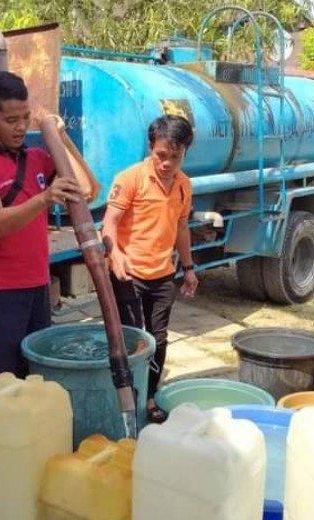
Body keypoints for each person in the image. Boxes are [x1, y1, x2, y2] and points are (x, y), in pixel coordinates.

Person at [0, 71, 80, 378]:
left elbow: (88, 189)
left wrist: (60, 137)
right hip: (0, 291)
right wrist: (44, 198)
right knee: (5, 378)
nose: (21, 127)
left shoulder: (38, 158)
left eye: (26, 118)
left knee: (38, 372)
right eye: (11, 120)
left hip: (38, 285)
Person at [102, 114, 198, 422]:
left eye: (176, 156)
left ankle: (151, 396)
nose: (168, 163)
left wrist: (188, 267)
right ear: (150, 147)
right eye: (161, 155)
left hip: (163, 275)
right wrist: (115, 254)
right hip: (128, 275)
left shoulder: (184, 186)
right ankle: (125, 399)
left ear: (185, 152)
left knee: (159, 338)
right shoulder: (129, 178)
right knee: (131, 339)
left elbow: (182, 227)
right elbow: (109, 224)